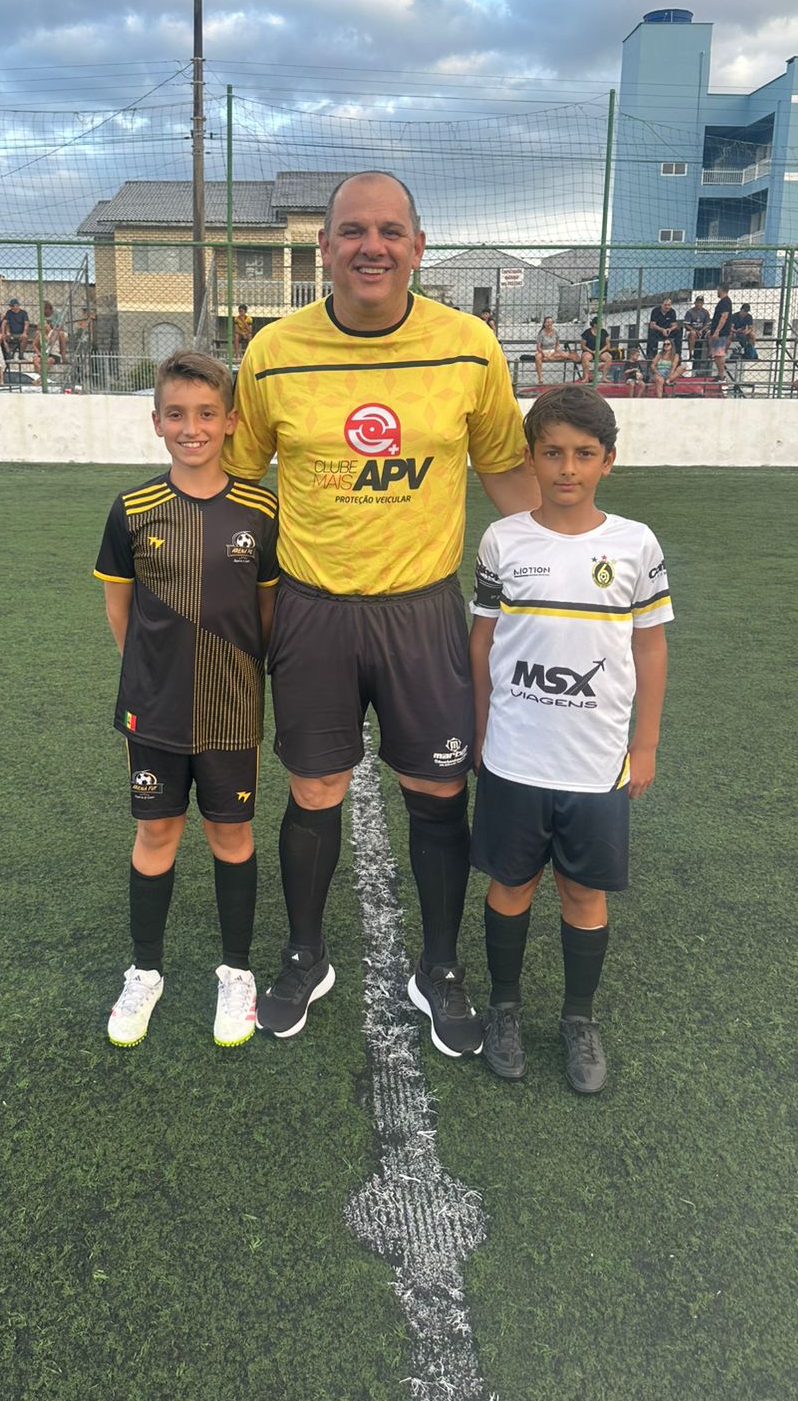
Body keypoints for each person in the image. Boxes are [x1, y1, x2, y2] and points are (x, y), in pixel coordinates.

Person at [222, 170, 538, 1055]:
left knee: (438, 790)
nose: (373, 246)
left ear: (418, 247)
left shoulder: (469, 347)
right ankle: (305, 955)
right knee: (315, 789)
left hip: (422, 612)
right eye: (354, 231)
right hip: (313, 610)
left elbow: (506, 474)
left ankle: (438, 967)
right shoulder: (274, 352)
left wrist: (566, 572)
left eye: (391, 231)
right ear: (324, 247)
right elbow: (237, 483)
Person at [469, 384, 672, 1093]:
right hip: (515, 755)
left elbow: (650, 647)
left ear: (608, 461)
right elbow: (482, 641)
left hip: (595, 762)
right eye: (552, 453)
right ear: (530, 458)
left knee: (584, 893)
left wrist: (645, 745)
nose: (567, 468)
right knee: (511, 884)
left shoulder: (635, 544)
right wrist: (480, 726)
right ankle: (504, 1008)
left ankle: (579, 1019)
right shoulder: (503, 540)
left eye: (584, 454)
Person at [96, 350, 280, 1048]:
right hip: (156, 709)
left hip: (232, 710)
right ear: (156, 422)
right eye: (176, 414)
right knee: (157, 834)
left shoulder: (261, 510)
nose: (191, 427)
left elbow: (266, 615)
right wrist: (151, 676)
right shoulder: (132, 509)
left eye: (206, 414)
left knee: (231, 835)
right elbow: (121, 611)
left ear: (230, 422)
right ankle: (145, 972)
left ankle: (237, 972)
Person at [534, 316, 573, 384]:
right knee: (537, 357)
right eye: (547, 322)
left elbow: (557, 344)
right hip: (543, 351)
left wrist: (557, 350)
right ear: (544, 323)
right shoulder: (541, 333)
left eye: (551, 322)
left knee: (568, 355)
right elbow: (538, 347)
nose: (549, 324)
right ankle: (540, 377)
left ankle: (550, 358)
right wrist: (543, 353)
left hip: (552, 351)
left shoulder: (555, 332)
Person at [709, 285, 732, 383]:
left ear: (721, 290)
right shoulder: (724, 301)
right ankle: (720, 374)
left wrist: (717, 330)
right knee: (716, 354)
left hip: (721, 332)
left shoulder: (725, 301)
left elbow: (724, 317)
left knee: (719, 353)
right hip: (719, 331)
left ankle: (721, 375)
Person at [646, 295, 678, 361]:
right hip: (658, 331)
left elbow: (675, 325)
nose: (667, 307)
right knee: (651, 331)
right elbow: (652, 325)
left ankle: (677, 353)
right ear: (661, 304)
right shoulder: (655, 311)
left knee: (678, 331)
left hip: (668, 331)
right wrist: (662, 330)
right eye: (665, 305)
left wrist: (670, 329)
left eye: (669, 305)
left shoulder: (672, 311)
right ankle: (651, 354)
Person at [580, 319, 612, 383]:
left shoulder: (604, 332)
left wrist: (600, 351)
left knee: (609, 357)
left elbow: (608, 345)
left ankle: (604, 377)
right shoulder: (587, 332)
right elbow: (583, 345)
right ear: (595, 324)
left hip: (601, 351)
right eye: (600, 323)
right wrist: (592, 351)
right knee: (585, 357)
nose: (601, 324)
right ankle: (586, 377)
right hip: (589, 351)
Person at [682, 296, 709, 372]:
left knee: (711, 334)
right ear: (695, 303)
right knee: (692, 333)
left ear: (703, 303)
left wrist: (701, 330)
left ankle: (710, 355)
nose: (699, 304)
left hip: (702, 330)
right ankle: (691, 354)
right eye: (698, 302)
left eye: (701, 302)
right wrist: (695, 330)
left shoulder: (705, 312)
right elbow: (686, 325)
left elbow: (707, 324)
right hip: (692, 330)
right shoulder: (690, 312)